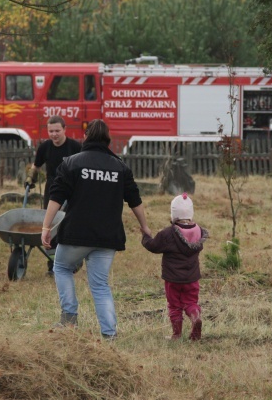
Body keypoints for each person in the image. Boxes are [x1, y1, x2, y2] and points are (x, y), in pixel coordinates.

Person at [40, 119, 151, 339]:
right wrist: (145, 227)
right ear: (107, 138)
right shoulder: (120, 166)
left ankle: (69, 319)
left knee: (61, 267)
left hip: (76, 234)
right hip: (107, 237)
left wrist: (46, 226)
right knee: (100, 285)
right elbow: (135, 200)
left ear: (87, 137)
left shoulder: (71, 163)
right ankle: (109, 334)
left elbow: (56, 196)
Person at [141, 193, 208, 341]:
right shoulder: (198, 232)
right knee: (190, 302)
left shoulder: (168, 234)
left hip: (173, 279)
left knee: (174, 305)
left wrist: (146, 237)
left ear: (173, 214)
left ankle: (176, 334)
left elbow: (153, 246)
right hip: (192, 278)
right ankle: (195, 316)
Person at [26, 115, 82, 275]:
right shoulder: (45, 147)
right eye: (51, 131)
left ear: (65, 130)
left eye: (57, 130)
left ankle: (74, 261)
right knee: (50, 225)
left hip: (72, 191)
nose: (54, 134)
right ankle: (53, 265)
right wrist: (30, 179)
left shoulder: (75, 147)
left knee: (70, 225)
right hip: (52, 189)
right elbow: (36, 166)